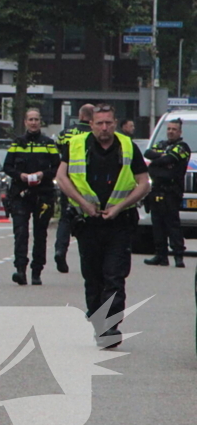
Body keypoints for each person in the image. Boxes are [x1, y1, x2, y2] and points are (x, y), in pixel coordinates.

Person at [56, 104, 150, 349]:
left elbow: (143, 183)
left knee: (115, 276)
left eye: (109, 123)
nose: (105, 128)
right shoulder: (76, 145)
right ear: (91, 125)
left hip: (119, 222)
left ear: (115, 123)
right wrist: (83, 204)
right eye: (100, 123)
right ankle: (98, 319)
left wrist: (120, 206)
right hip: (88, 222)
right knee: (93, 276)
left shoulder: (128, 147)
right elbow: (62, 177)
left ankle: (110, 326)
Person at [3, 108, 60, 286]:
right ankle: (20, 270)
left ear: (40, 122)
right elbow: (7, 167)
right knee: (20, 233)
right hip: (21, 194)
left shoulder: (49, 143)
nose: (33, 122)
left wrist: (42, 174)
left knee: (40, 233)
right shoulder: (17, 143)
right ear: (25, 122)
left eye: (36, 119)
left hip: (43, 194)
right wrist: (20, 176)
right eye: (30, 119)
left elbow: (57, 167)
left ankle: (37, 271)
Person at [143, 118, 191, 268]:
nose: (171, 131)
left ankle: (178, 256)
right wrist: (162, 159)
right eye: (169, 129)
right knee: (157, 225)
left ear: (180, 132)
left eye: (174, 129)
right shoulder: (162, 144)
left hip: (171, 192)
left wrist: (161, 160)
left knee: (172, 225)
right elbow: (148, 153)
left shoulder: (183, 147)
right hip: (156, 190)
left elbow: (169, 159)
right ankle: (161, 256)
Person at [53, 103, 94, 273]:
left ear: (79, 115)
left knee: (65, 217)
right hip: (89, 183)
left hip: (68, 182)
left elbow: (57, 154)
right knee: (89, 220)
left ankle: (60, 249)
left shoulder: (65, 133)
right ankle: (88, 258)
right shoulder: (94, 133)